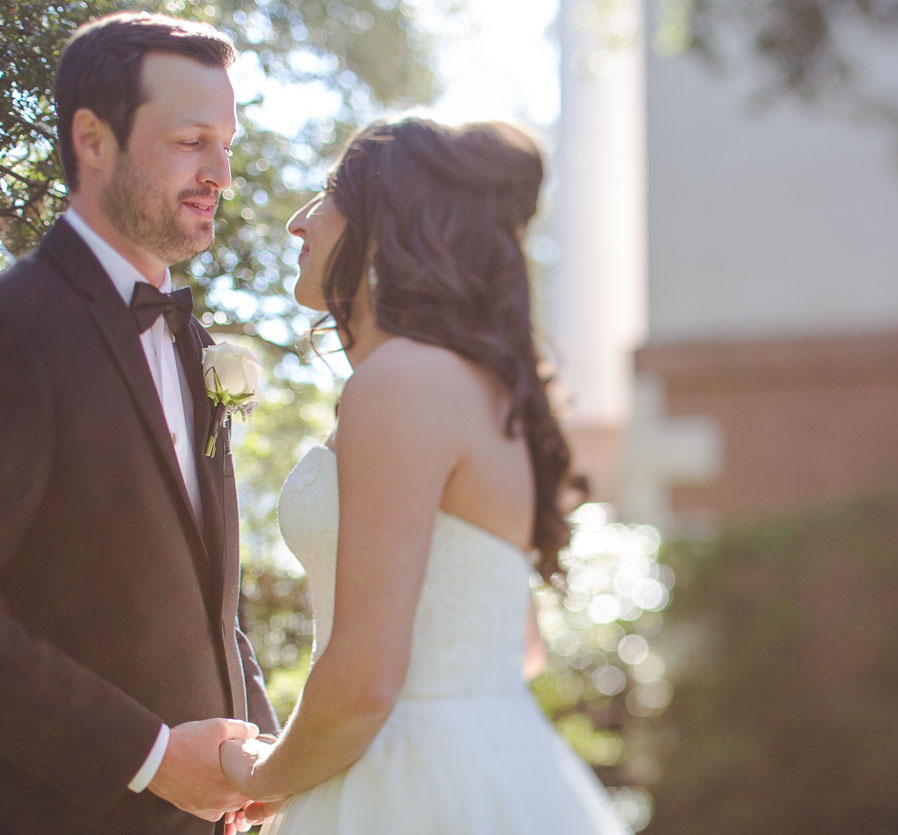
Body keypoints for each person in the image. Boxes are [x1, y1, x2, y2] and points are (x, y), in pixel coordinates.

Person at [0, 12, 279, 834]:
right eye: (192, 141)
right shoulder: (4, 330)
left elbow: (204, 596)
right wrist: (155, 758)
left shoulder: (192, 342)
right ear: (92, 140)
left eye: (226, 144)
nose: (221, 175)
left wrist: (253, 747)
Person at [216, 117, 629, 833]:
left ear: (382, 225)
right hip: (492, 768)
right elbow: (519, 645)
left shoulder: (399, 382)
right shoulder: (475, 384)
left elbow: (369, 676)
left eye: (325, 193)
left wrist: (263, 771)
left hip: (408, 785)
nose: (297, 221)